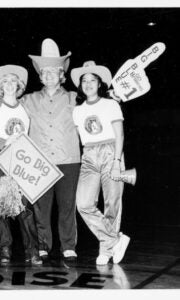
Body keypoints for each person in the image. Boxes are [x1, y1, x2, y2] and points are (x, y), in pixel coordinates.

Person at [21, 38, 81, 262]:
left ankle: (68, 245)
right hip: (40, 161)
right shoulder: (28, 99)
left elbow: (97, 105)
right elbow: (7, 107)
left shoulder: (75, 98)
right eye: (44, 72)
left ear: (61, 75)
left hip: (69, 159)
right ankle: (44, 245)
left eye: (53, 72)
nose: (48, 75)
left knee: (67, 206)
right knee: (41, 207)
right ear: (40, 76)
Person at [0, 65, 42, 265]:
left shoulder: (26, 105)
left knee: (26, 204)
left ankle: (32, 249)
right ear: (0, 86)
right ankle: (5, 248)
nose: (9, 84)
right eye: (4, 81)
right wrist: (4, 142)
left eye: (13, 80)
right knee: (2, 204)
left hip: (23, 159)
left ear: (19, 85)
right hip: (0, 157)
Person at [71, 61, 130, 265]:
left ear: (99, 84)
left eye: (92, 80)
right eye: (84, 80)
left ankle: (106, 250)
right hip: (89, 154)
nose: (88, 84)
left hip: (111, 151)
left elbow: (120, 135)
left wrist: (116, 161)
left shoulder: (110, 104)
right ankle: (114, 240)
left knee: (112, 202)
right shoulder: (77, 110)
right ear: (80, 86)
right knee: (84, 203)